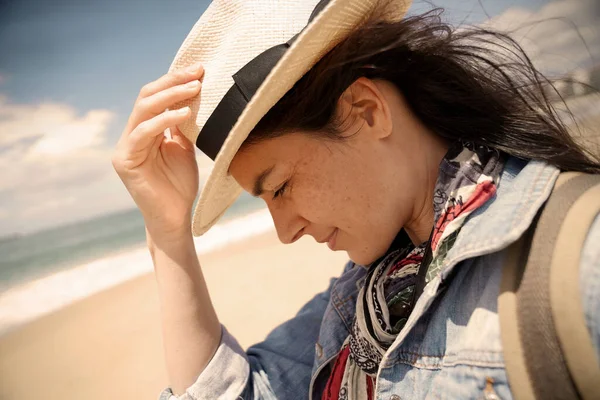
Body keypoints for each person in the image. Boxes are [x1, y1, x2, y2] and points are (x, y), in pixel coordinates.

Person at [111, 0, 600, 398]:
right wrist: (167, 232)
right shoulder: (362, 301)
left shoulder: (580, 259)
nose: (285, 232)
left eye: (279, 187)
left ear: (367, 112)